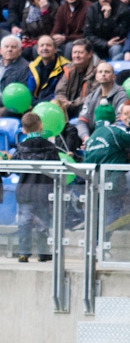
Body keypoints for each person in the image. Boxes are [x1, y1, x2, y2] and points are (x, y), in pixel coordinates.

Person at [14, 112, 59, 263]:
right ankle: (43, 253)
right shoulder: (50, 147)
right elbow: (56, 169)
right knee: (43, 224)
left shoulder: (21, 147)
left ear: (23, 130)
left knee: (24, 224)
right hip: (43, 191)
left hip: (25, 191)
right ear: (41, 126)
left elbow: (14, 169)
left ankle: (23, 252)